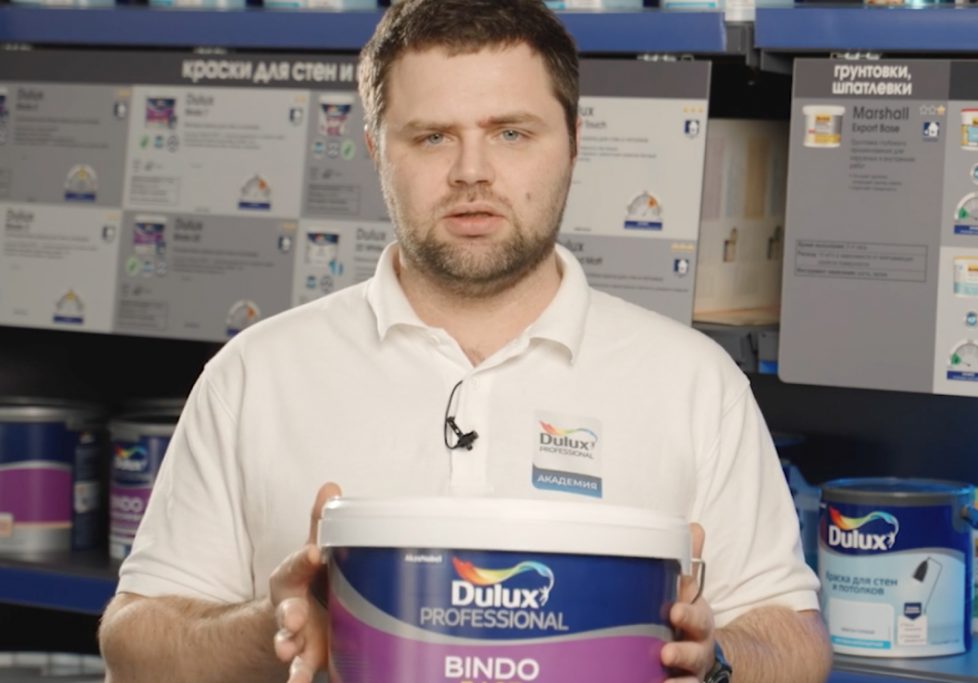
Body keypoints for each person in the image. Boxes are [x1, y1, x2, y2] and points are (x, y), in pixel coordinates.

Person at [98, 0, 832, 681]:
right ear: (375, 150)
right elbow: (134, 638)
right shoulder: (255, 375)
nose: (471, 172)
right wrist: (277, 627)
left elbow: (794, 639)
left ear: (574, 142)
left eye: (511, 133)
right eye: (432, 137)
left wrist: (715, 658)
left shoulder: (694, 383)